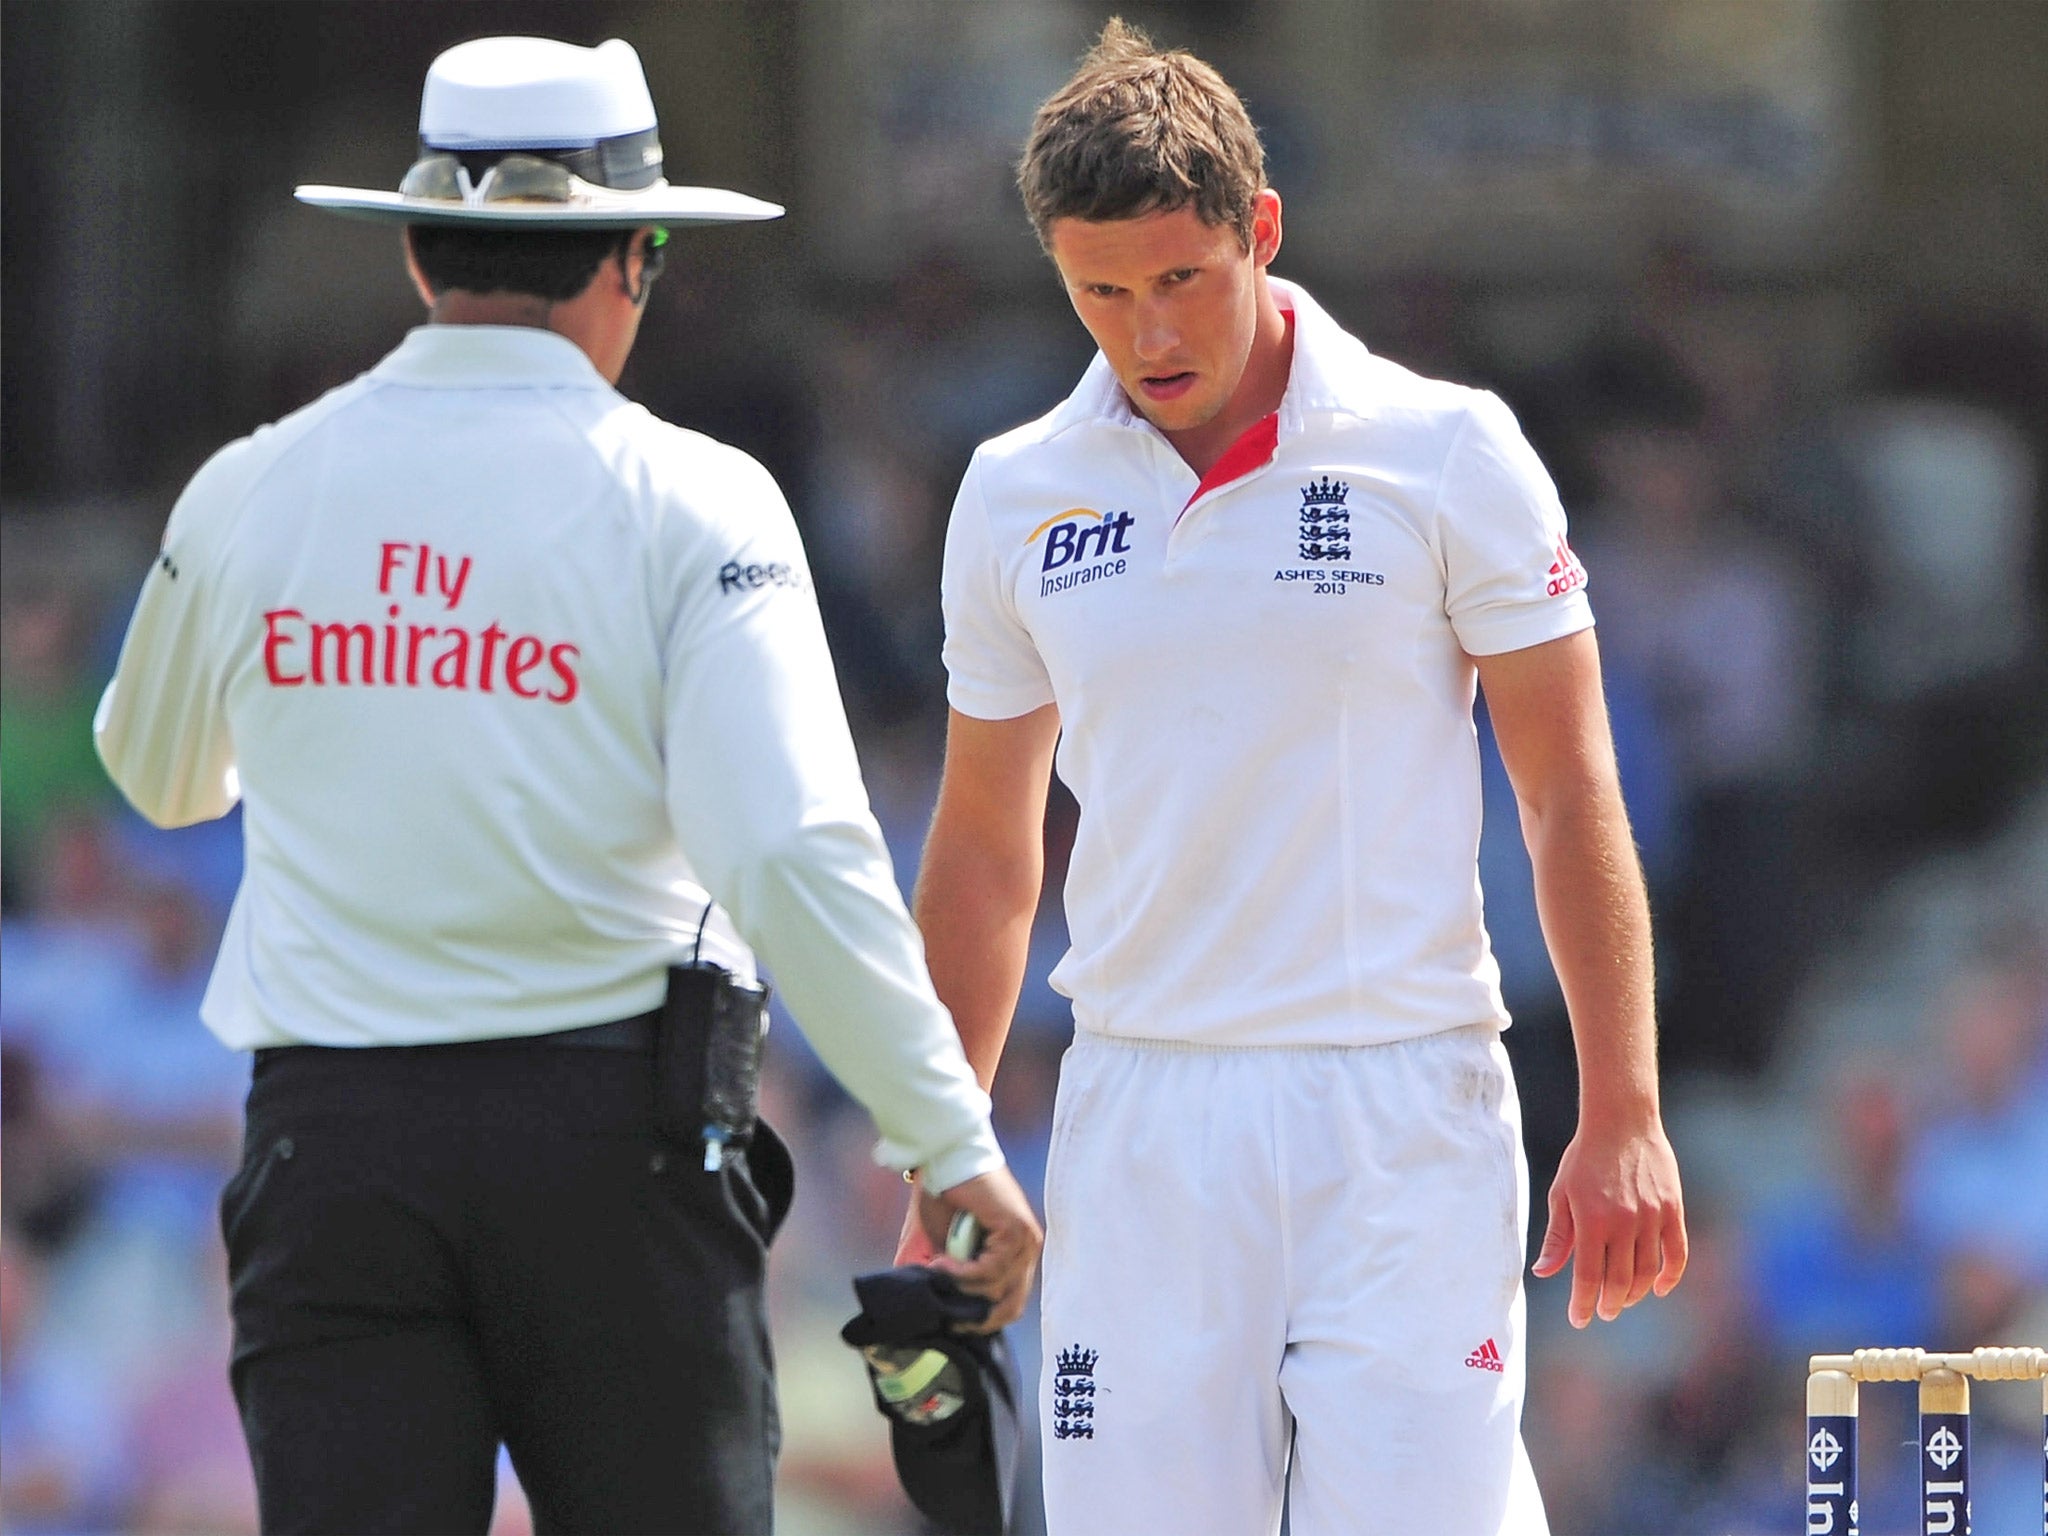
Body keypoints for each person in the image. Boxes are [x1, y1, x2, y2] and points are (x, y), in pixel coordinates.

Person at [94, 35, 1040, 1536]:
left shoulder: (254, 481)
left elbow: (158, 778)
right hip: (621, 1148)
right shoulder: (696, 499)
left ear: (416, 251)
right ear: (639, 259)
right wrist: (949, 1139)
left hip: (332, 1148)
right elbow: (790, 850)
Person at [896, 20, 1687, 1535]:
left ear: (1259, 230)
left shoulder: (1450, 452)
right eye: (1101, 292)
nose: (1149, 335)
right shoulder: (1012, 492)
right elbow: (992, 852)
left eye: (1180, 278)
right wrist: (941, 1134)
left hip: (1405, 1105)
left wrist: (1626, 1109)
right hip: (1139, 1110)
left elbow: (1566, 793)